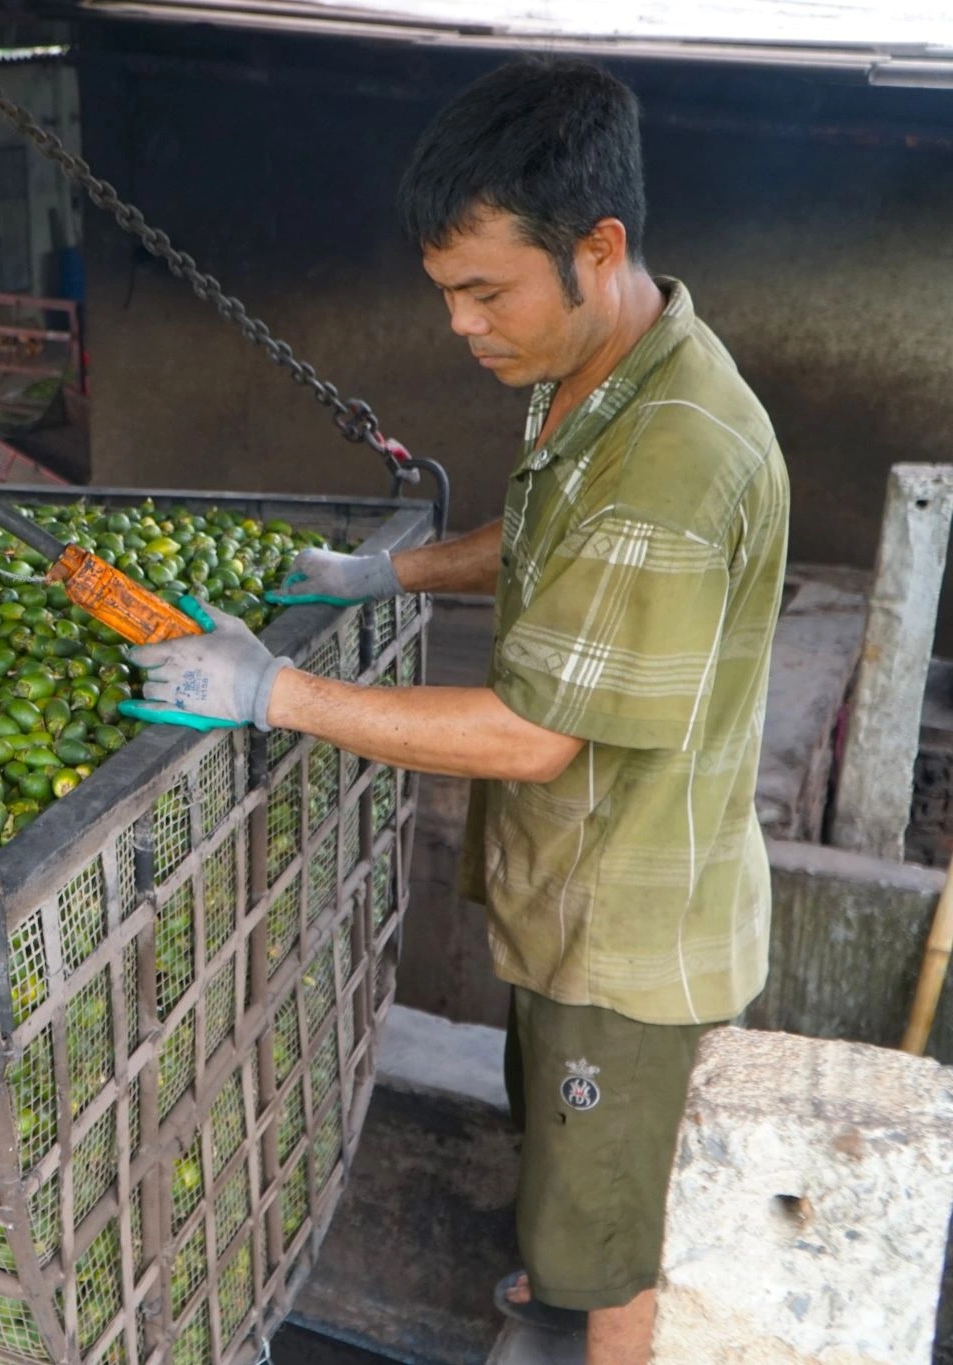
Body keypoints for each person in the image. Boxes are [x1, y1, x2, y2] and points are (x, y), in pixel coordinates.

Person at [126, 57, 788, 1365]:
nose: (462, 327)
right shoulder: (598, 378)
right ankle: (547, 1317)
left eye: (485, 292)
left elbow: (534, 733)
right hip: (572, 897)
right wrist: (388, 569)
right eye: (448, 294)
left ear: (598, 248)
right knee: (562, 1185)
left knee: (619, 1243)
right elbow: (544, 539)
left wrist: (276, 691)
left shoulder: (674, 454)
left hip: (632, 942)